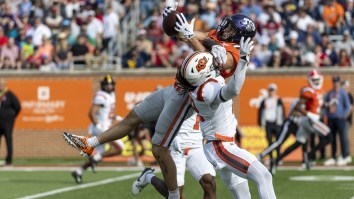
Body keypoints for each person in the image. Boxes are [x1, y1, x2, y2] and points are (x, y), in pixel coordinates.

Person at [63, 4, 256, 198]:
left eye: (232, 29)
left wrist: (191, 37)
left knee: (159, 147)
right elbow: (194, 36)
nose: (226, 29)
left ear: (239, 37)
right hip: (175, 87)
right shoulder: (217, 36)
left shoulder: (235, 54)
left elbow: (209, 64)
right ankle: (90, 143)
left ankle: (169, 193)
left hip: (186, 98)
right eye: (228, 25)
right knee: (133, 118)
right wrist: (179, 25)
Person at [182, 41, 276, 198]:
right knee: (263, 176)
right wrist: (243, 59)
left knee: (243, 196)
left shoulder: (201, 83)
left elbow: (208, 53)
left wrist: (191, 37)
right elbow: (233, 89)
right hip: (221, 147)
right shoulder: (205, 90)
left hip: (219, 145)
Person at [132, 113, 221, 199]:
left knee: (209, 182)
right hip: (175, 145)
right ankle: (149, 176)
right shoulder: (171, 97)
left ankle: (148, 176)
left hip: (197, 144)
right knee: (175, 194)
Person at [71, 75, 125, 183]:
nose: (109, 87)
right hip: (101, 127)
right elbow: (91, 113)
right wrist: (98, 125)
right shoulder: (101, 96)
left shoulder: (111, 95)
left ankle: (79, 171)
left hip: (106, 126)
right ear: (103, 85)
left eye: (111, 85)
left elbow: (109, 113)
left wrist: (117, 117)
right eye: (107, 85)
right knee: (120, 147)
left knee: (97, 156)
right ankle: (95, 158)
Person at [273, 70, 330, 171]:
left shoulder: (318, 91)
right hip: (310, 120)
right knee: (329, 136)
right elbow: (298, 107)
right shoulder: (310, 91)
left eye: (317, 80)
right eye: (314, 80)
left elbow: (318, 106)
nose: (316, 82)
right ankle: (310, 155)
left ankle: (277, 160)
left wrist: (328, 105)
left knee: (297, 143)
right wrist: (309, 114)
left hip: (308, 121)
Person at [323, 76, 351, 166]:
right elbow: (325, 105)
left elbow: (348, 107)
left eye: (337, 82)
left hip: (340, 118)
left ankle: (344, 156)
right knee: (332, 138)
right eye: (334, 82)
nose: (335, 84)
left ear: (339, 82)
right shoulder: (330, 93)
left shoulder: (343, 93)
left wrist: (343, 116)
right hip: (331, 118)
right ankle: (333, 157)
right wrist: (327, 113)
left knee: (342, 138)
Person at [258, 83, 285, 165]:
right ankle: (271, 158)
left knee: (278, 142)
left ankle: (278, 158)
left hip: (277, 123)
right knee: (269, 142)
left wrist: (282, 122)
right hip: (268, 124)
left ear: (275, 91)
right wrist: (261, 123)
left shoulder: (278, 100)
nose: (271, 92)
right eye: (270, 90)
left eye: (273, 90)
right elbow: (260, 112)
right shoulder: (264, 100)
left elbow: (282, 112)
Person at [0, 79, 21, 166]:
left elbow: (18, 107)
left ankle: (9, 161)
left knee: (8, 140)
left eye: (1, 84)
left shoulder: (9, 95)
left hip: (8, 122)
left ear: (4, 85)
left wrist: (11, 116)